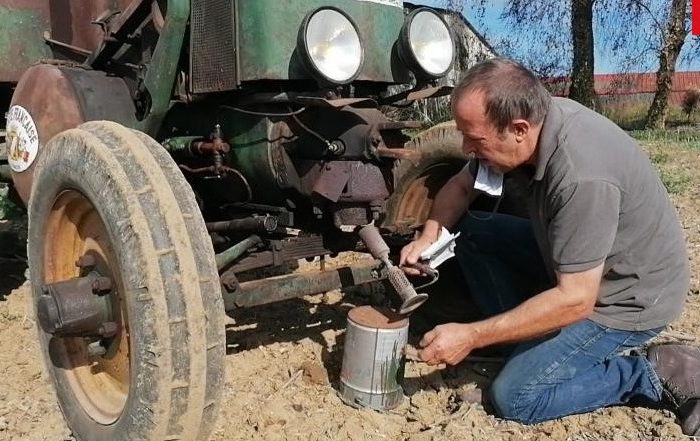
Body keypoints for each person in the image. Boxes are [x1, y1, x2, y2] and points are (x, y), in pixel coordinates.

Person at [399, 57, 699, 435]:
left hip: (625, 296)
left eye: (474, 140)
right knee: (471, 231)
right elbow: (460, 187)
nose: (465, 147)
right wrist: (429, 236)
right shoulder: (524, 129)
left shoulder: (581, 175)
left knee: (516, 397)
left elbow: (576, 299)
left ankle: (652, 372)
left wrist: (473, 333)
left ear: (519, 129)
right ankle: (524, 344)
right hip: (573, 264)